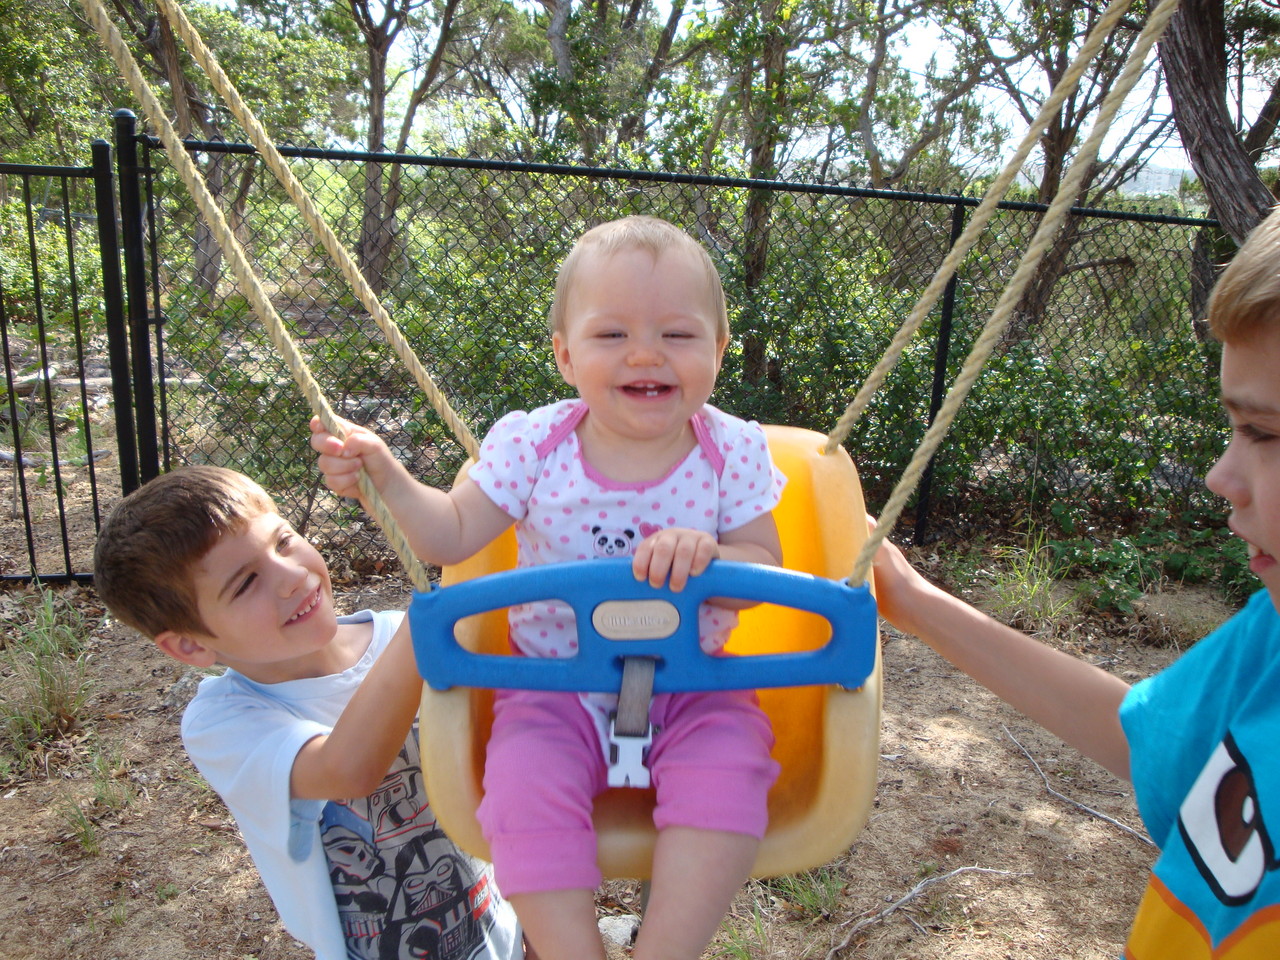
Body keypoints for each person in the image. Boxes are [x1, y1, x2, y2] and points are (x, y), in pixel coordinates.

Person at [310, 215, 787, 960]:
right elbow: (450, 535)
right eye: (611, 334)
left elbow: (763, 572)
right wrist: (388, 479)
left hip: (695, 685)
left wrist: (716, 559)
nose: (646, 353)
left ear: (719, 350)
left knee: (730, 777)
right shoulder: (534, 445)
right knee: (521, 793)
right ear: (566, 355)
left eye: (678, 334)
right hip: (552, 688)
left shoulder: (733, 450)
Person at [869, 205, 1280, 956]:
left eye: (1263, 432)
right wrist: (914, 601)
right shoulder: (1267, 645)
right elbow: (1142, 735)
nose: (1221, 475)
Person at [92, 465, 525, 960]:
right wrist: (433, 619)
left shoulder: (400, 634)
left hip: (500, 927)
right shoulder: (223, 721)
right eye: (245, 583)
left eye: (283, 542)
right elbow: (347, 770)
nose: (292, 576)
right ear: (190, 645)